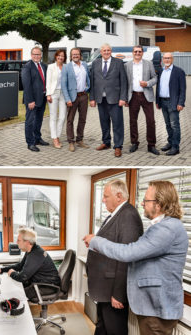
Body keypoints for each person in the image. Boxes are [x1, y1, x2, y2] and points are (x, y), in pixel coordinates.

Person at [84, 181, 188, 335]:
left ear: (159, 204)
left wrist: (95, 241)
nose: (142, 203)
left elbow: (128, 253)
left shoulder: (167, 229)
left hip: (157, 309)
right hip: (153, 307)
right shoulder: (162, 226)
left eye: (146, 200)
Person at [85, 179, 143, 335]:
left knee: (114, 330)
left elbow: (127, 257)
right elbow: (113, 246)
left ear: (118, 196)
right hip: (104, 288)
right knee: (102, 328)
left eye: (106, 196)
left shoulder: (128, 215)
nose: (103, 200)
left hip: (113, 291)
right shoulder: (114, 215)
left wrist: (118, 293)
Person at [0, 228, 60, 300]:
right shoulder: (31, 249)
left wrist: (12, 273)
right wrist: (1, 270)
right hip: (40, 282)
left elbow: (22, 277)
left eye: (19, 240)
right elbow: (20, 265)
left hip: (47, 286)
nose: (16, 242)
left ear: (27, 242)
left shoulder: (35, 255)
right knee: (11, 290)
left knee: (13, 296)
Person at [90, 44, 128, 157]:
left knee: (117, 123)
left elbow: (124, 82)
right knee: (104, 122)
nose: (106, 52)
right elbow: (92, 82)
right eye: (104, 50)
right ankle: (106, 142)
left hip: (115, 99)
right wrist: (92, 98)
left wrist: (123, 98)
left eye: (108, 50)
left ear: (111, 51)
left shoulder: (119, 63)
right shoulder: (95, 63)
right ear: (101, 52)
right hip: (100, 99)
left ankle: (118, 146)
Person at [125, 45, 159, 155]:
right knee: (133, 121)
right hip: (133, 96)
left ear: (142, 53)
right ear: (132, 53)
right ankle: (134, 143)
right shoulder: (127, 65)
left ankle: (151, 145)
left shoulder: (148, 63)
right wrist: (125, 98)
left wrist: (147, 83)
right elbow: (125, 82)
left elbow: (155, 78)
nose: (137, 53)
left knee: (151, 121)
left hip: (146, 95)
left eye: (139, 51)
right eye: (135, 51)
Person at [155, 52, 186, 156]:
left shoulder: (179, 71)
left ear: (172, 59)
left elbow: (183, 89)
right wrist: (157, 101)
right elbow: (158, 87)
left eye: (169, 58)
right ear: (162, 60)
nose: (167, 60)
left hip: (173, 102)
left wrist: (181, 103)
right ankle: (170, 142)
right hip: (162, 101)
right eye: (165, 58)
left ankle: (175, 147)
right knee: (168, 124)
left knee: (174, 125)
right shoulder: (161, 71)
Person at [61, 47, 91, 152]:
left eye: (77, 54)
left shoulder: (84, 65)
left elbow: (88, 78)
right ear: (71, 56)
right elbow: (63, 85)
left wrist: (88, 88)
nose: (75, 56)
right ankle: (71, 141)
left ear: (80, 55)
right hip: (72, 98)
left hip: (83, 96)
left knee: (82, 119)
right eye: (73, 54)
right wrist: (67, 99)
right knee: (70, 120)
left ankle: (80, 139)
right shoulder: (66, 67)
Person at [23, 46, 48, 152]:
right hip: (32, 100)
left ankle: (37, 138)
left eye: (38, 54)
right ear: (31, 55)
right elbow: (26, 85)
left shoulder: (44, 66)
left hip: (42, 98)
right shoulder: (27, 67)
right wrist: (30, 100)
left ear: (41, 55)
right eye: (34, 54)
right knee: (30, 121)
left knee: (39, 120)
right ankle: (30, 143)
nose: (36, 56)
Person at [46, 50, 67, 149]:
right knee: (53, 117)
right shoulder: (51, 67)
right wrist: (48, 94)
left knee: (62, 117)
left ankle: (57, 136)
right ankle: (54, 139)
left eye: (62, 56)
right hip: (53, 93)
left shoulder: (66, 67)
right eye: (59, 55)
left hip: (63, 94)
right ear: (56, 56)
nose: (60, 57)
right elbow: (48, 81)